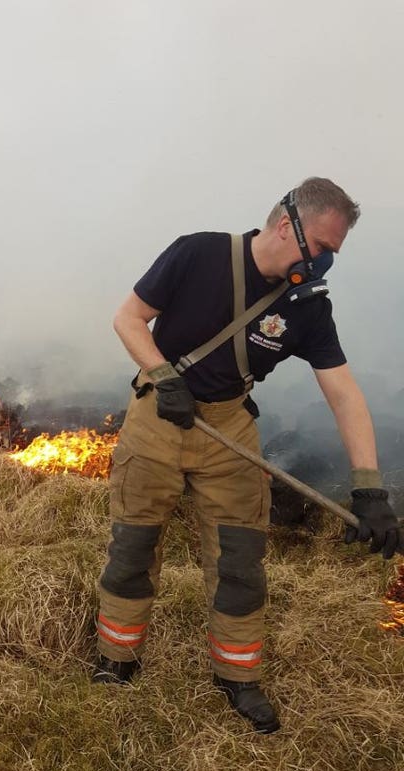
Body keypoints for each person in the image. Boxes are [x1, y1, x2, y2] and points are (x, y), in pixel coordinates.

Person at [92, 177, 403, 734]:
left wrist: (369, 486)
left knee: (239, 561)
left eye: (335, 253)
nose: (327, 263)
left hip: (230, 427)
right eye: (324, 248)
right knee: (133, 546)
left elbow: (344, 392)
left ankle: (237, 675)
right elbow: (128, 318)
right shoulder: (197, 253)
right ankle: (116, 659)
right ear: (288, 225)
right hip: (158, 419)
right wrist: (164, 377)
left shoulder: (307, 308)